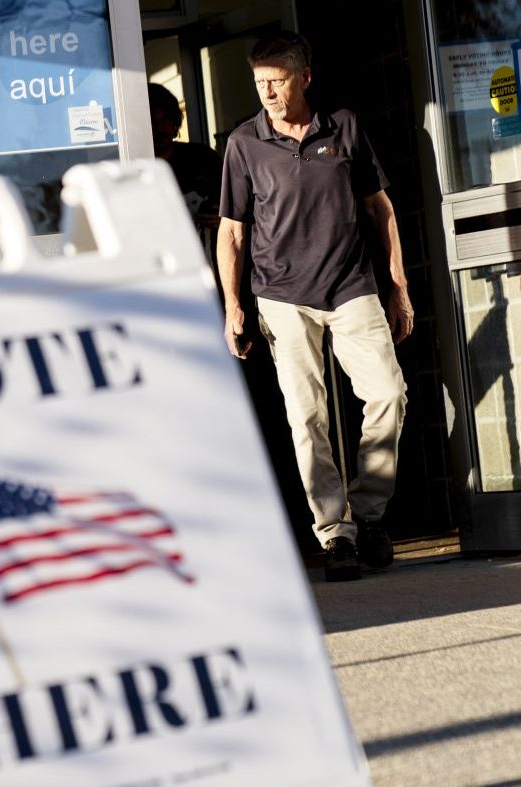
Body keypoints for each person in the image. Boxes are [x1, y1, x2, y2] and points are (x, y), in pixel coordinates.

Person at [217, 31, 413, 582]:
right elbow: (232, 233)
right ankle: (335, 533)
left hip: (352, 285)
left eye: (277, 81)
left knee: (387, 394)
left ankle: (370, 513)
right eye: (260, 83)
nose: (268, 92)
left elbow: (382, 210)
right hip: (281, 296)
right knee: (307, 417)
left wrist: (398, 285)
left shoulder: (343, 127)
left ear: (304, 77)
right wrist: (234, 305)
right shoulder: (244, 144)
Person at [147, 82, 222, 231]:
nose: (160, 129)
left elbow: (237, 205)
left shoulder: (202, 157)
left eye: (165, 119)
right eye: (152, 122)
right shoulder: (134, 169)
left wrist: (226, 221)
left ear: (175, 120)